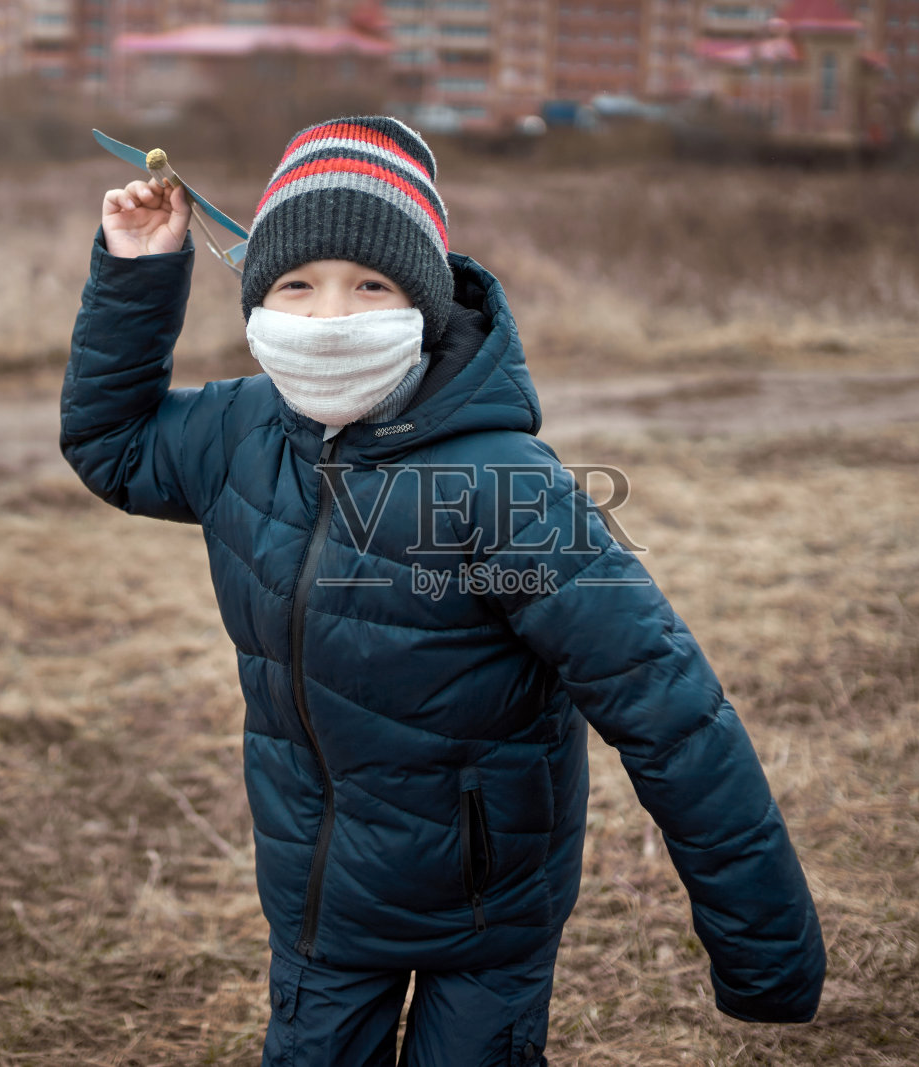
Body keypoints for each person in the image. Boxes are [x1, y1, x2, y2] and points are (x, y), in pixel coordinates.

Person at [61, 115, 824, 1066]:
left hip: (486, 915)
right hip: (319, 904)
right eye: (297, 284)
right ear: (256, 294)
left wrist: (765, 952)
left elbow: (669, 712)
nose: (330, 317)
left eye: (369, 285)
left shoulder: (508, 486)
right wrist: (136, 271)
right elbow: (112, 445)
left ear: (421, 302)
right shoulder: (239, 434)